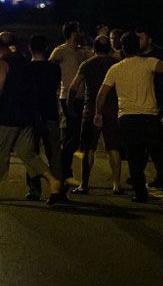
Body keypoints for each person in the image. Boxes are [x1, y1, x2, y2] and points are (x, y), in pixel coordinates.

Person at [94, 32, 163, 203]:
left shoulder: (115, 68)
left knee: (134, 158)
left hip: (127, 118)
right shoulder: (148, 63)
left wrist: (98, 113)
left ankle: (139, 193)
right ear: (137, 47)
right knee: (161, 156)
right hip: (148, 117)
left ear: (122, 48)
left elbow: (102, 94)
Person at [0, 32, 63, 204]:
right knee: (27, 153)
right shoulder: (25, 62)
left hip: (7, 115)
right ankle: (53, 181)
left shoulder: (1, 63)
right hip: (27, 116)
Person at [67, 35, 123, 195]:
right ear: (109, 49)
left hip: (91, 109)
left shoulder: (87, 64)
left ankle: (84, 184)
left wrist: (71, 108)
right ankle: (117, 185)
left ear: (94, 48)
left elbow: (74, 86)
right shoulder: (116, 64)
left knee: (88, 147)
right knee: (113, 147)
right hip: (113, 108)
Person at [49, 21, 90, 187]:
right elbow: (50, 68)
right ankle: (62, 171)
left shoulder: (82, 51)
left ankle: (63, 170)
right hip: (67, 97)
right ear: (73, 33)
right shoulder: (60, 51)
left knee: (71, 135)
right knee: (72, 135)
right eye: (79, 30)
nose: (82, 33)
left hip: (81, 98)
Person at [25, 34, 63, 201]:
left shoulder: (26, 68)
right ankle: (57, 190)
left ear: (30, 48)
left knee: (32, 153)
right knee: (54, 152)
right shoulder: (55, 69)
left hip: (31, 115)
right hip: (50, 113)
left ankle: (34, 190)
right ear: (47, 49)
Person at [135, 27, 163, 189]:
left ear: (149, 40)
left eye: (141, 38)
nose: (138, 41)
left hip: (157, 101)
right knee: (142, 140)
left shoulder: (159, 54)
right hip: (141, 101)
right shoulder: (135, 54)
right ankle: (139, 173)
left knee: (153, 141)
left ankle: (162, 176)